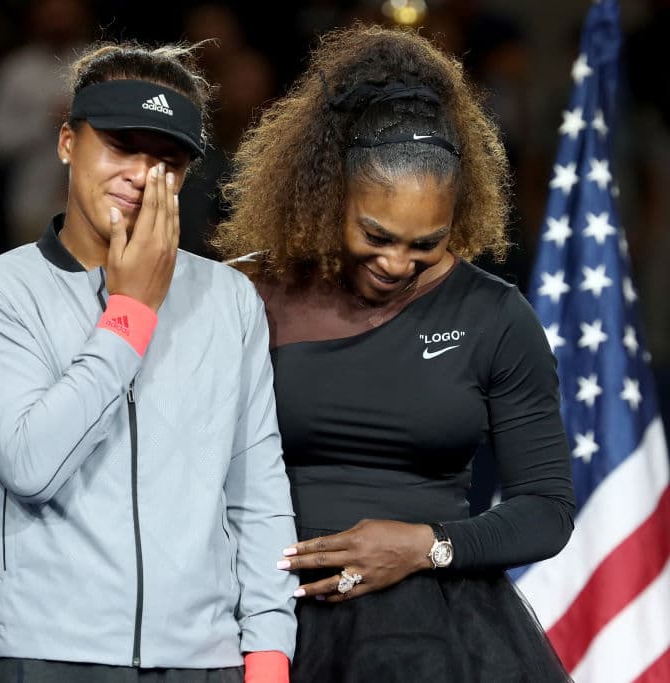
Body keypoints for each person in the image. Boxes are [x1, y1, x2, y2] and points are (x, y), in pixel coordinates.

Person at [210, 24, 575, 681]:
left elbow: (546, 511)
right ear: (329, 194)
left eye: (424, 244)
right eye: (375, 235)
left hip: (435, 631)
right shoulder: (242, 294)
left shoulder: (494, 316)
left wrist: (425, 546)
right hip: (259, 617)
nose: (396, 262)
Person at [0, 42, 298, 683]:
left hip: (204, 658)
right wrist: (131, 309)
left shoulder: (229, 299)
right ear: (67, 143)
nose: (141, 174)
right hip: (49, 654)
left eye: (167, 159)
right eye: (122, 146)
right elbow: (31, 465)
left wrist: (269, 653)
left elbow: (258, 495)